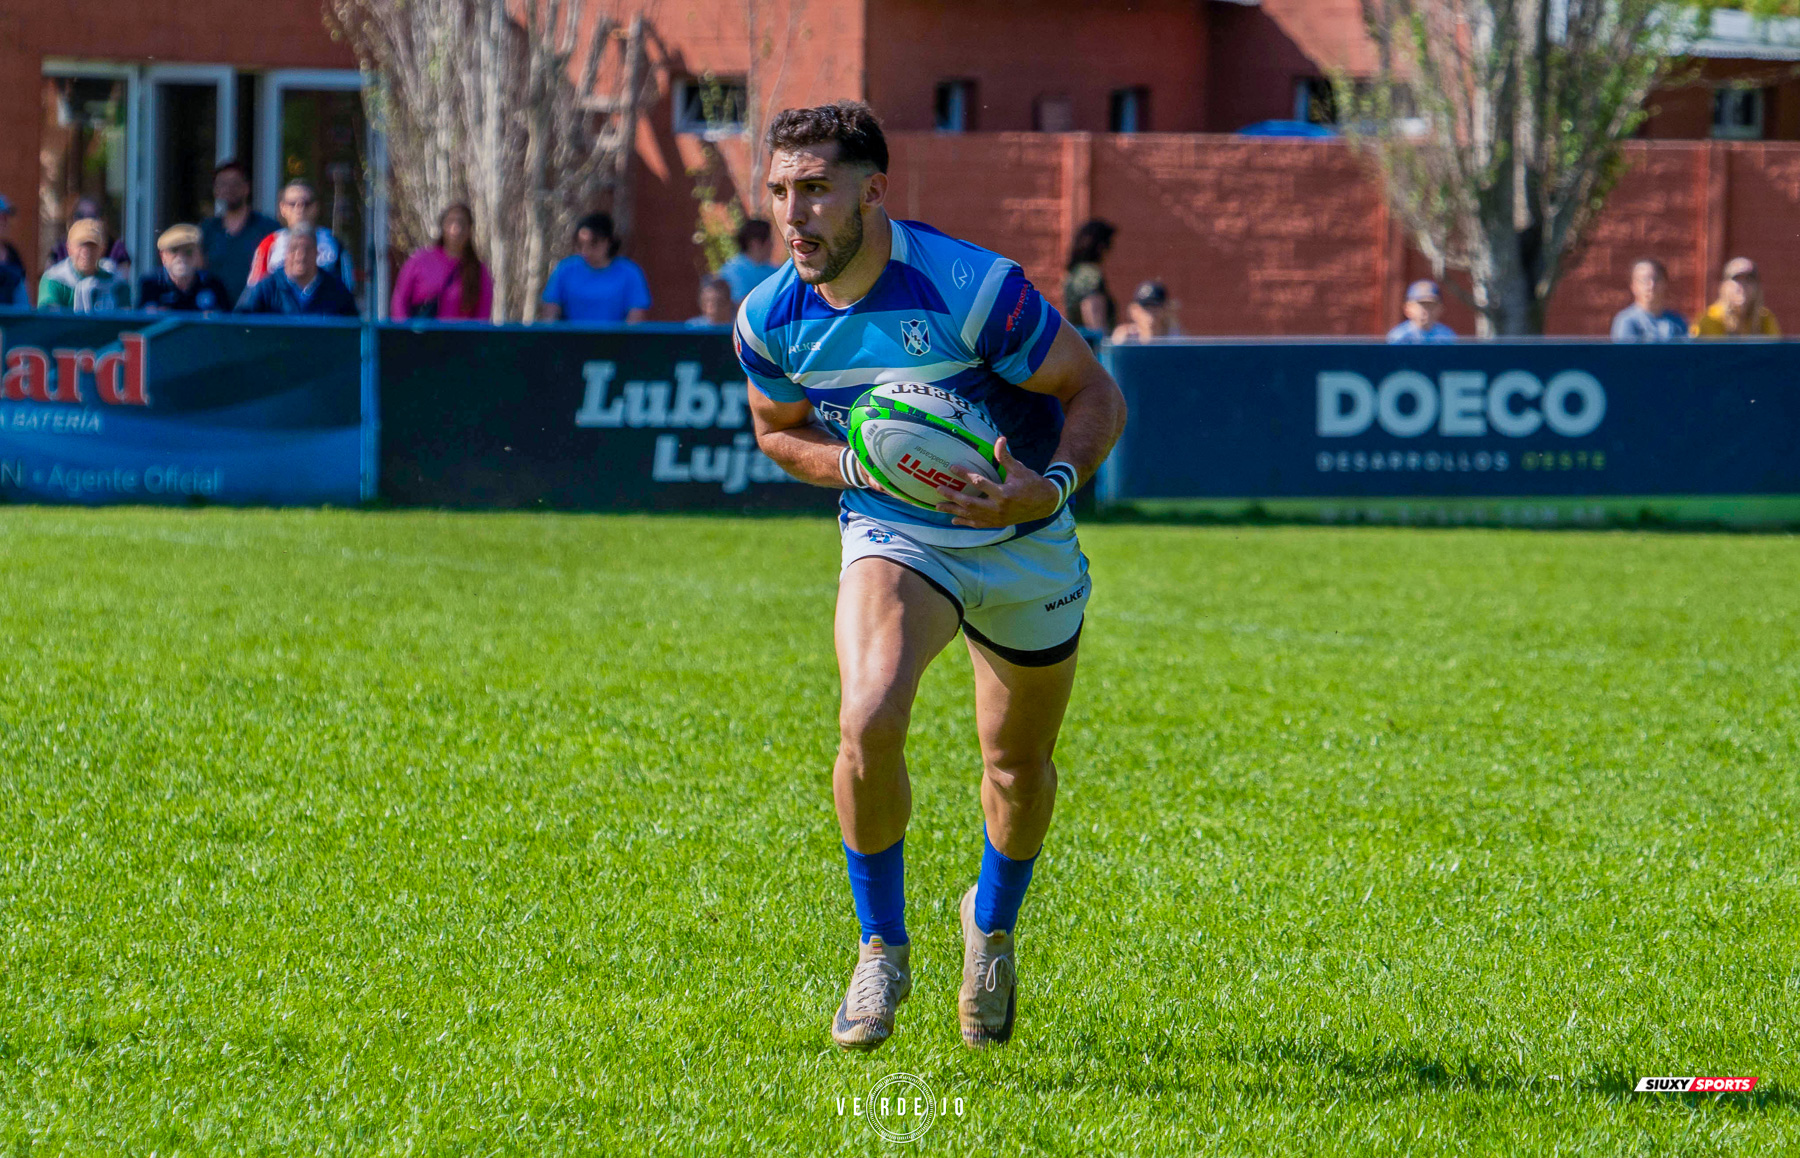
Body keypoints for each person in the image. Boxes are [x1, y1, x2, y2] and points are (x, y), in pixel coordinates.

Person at [736, 101, 1127, 1054]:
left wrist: (1047, 488)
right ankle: (880, 946)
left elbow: (1096, 392)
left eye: (816, 190)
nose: (793, 214)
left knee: (1017, 767)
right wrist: (857, 467)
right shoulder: (769, 318)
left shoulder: (970, 288)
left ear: (873, 191)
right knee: (867, 716)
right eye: (780, 191)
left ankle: (990, 928)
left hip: (1024, 537)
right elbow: (777, 432)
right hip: (897, 534)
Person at [540, 212, 651, 323]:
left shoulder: (630, 273)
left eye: (593, 244)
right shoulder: (565, 270)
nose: (585, 251)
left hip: (614, 334)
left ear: (608, 242)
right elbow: (550, 312)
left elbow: (635, 318)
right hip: (572, 334)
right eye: (580, 245)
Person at [390, 203, 493, 321]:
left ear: (470, 230)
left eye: (462, 223)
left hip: (460, 333)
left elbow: (482, 317)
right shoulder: (419, 261)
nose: (456, 228)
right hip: (422, 332)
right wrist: (403, 330)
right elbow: (399, 301)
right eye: (451, 221)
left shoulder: (479, 271)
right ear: (443, 226)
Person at [247, 180, 355, 292]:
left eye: (306, 203)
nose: (300, 208)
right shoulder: (269, 245)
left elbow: (347, 290)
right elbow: (255, 290)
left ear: (316, 207)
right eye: (292, 204)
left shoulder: (333, 244)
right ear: (283, 208)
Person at [234, 224, 357, 316]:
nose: (300, 255)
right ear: (285, 253)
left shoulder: (336, 289)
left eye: (307, 249)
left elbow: (353, 329)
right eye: (294, 249)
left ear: (317, 253)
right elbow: (240, 322)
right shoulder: (267, 288)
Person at [200, 160, 279, 304]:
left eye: (235, 183)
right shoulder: (207, 230)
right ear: (215, 191)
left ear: (246, 188)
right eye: (223, 184)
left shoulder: (268, 228)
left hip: (257, 310)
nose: (229, 188)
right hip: (215, 311)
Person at [37, 219, 130, 312]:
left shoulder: (116, 284)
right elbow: (50, 318)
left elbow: (124, 316)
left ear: (102, 249)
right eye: (80, 245)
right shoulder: (55, 280)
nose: (86, 251)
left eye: (92, 246)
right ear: (69, 248)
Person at [138, 225, 232, 313]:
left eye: (188, 251)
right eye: (174, 251)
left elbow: (227, 320)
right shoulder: (151, 285)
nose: (181, 257)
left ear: (198, 255)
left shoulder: (214, 285)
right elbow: (142, 321)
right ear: (163, 257)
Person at [46, 197, 132, 283]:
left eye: (92, 216)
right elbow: (49, 279)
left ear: (103, 220)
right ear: (72, 219)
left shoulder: (116, 248)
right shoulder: (60, 248)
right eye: (80, 216)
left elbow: (122, 281)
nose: (86, 220)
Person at [1694, 257, 1780, 338]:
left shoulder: (1765, 318)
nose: (1742, 286)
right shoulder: (1710, 319)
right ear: (1724, 286)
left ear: (1757, 288)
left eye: (1749, 280)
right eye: (1736, 279)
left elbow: (1775, 346)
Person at [1610, 258, 1687, 342]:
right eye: (1644, 280)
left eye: (1656, 279)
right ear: (1633, 286)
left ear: (1665, 283)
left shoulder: (1677, 321)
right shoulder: (1627, 321)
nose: (1651, 285)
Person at [1062, 219, 1117, 333]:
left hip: (1079, 340)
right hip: (1089, 342)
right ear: (1100, 247)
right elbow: (1094, 315)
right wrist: (1101, 340)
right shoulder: (1089, 274)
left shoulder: (1075, 272)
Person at [718, 218, 783, 302]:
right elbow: (739, 302)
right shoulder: (733, 271)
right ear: (755, 244)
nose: (772, 245)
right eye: (769, 241)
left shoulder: (774, 270)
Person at [1387, 280, 1456, 344]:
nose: (1426, 311)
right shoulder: (1399, 337)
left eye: (1431, 306)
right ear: (1408, 308)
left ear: (1440, 309)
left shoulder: (1447, 336)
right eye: (1421, 306)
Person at [1110, 280, 1179, 343]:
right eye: (1146, 307)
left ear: (1166, 310)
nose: (1151, 313)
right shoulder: (1128, 337)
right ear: (1133, 311)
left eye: (1155, 307)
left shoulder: (1175, 339)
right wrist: (1119, 345)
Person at [0, 194, 27, 286]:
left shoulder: (12, 252)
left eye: (6, 217)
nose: (4, 222)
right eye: (0, 217)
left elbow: (22, 285)